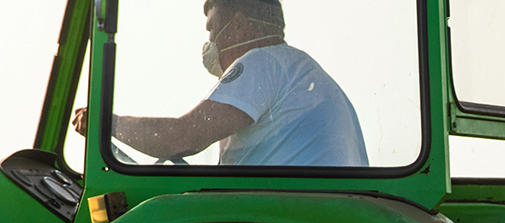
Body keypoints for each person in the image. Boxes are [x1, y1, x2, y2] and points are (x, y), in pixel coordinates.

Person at [74, 0, 367, 167]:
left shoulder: (263, 62)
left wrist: (106, 122)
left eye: (212, 28)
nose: (209, 42)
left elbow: (182, 137)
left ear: (238, 26)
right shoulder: (300, 72)